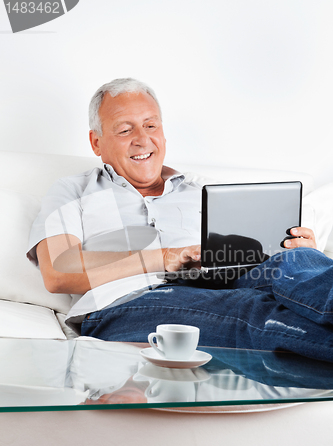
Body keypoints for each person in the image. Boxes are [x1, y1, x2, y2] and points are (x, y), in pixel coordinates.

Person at [27, 78, 333, 363]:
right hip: (125, 305)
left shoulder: (202, 189)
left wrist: (296, 251)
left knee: (295, 263)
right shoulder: (73, 191)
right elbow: (58, 271)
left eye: (150, 125)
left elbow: (257, 261)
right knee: (248, 311)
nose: (142, 139)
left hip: (217, 285)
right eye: (125, 130)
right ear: (97, 143)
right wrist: (164, 258)